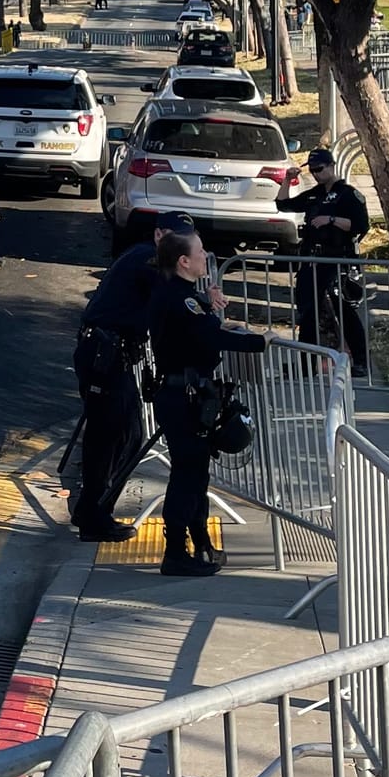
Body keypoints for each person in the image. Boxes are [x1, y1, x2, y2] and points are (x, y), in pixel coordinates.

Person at [67, 213, 199, 542]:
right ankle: (93, 515)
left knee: (126, 435)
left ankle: (92, 508)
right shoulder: (147, 259)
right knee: (112, 436)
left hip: (113, 354)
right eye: (173, 236)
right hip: (105, 354)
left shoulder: (149, 259)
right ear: (158, 235)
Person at [147, 233, 266, 578]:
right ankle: (175, 554)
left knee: (197, 474)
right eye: (199, 252)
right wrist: (261, 341)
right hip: (182, 398)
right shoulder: (180, 299)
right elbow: (211, 337)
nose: (205, 256)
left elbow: (202, 330)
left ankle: (200, 544)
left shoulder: (183, 296)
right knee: (187, 476)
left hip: (187, 396)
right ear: (184, 261)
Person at [275, 147, 370, 374]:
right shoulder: (314, 194)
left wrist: (332, 219)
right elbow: (282, 204)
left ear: (331, 166)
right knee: (308, 312)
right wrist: (287, 180)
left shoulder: (348, 194)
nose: (316, 174)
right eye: (313, 171)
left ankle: (360, 361)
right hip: (312, 260)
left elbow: (361, 226)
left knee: (344, 310)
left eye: (319, 169)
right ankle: (306, 365)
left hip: (338, 260)